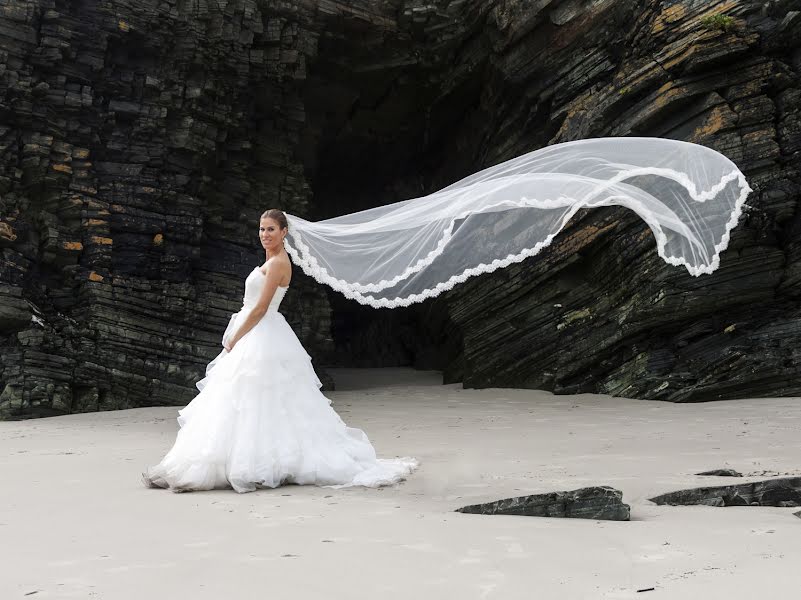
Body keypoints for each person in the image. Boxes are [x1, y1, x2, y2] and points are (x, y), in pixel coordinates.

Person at [142, 209, 419, 493]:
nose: (265, 235)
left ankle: (255, 463)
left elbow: (261, 308)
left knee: (255, 399)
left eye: (271, 229)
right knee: (247, 399)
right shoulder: (271, 260)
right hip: (261, 332)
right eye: (262, 229)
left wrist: (235, 338)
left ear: (284, 232)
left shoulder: (278, 264)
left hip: (261, 333)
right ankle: (242, 459)